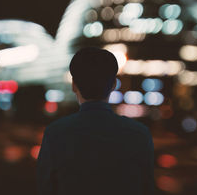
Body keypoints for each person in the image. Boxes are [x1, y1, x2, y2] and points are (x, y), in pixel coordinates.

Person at [36, 47, 156, 195]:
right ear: (113, 85)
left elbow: (45, 188)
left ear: (74, 85)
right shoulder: (140, 135)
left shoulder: (55, 134)